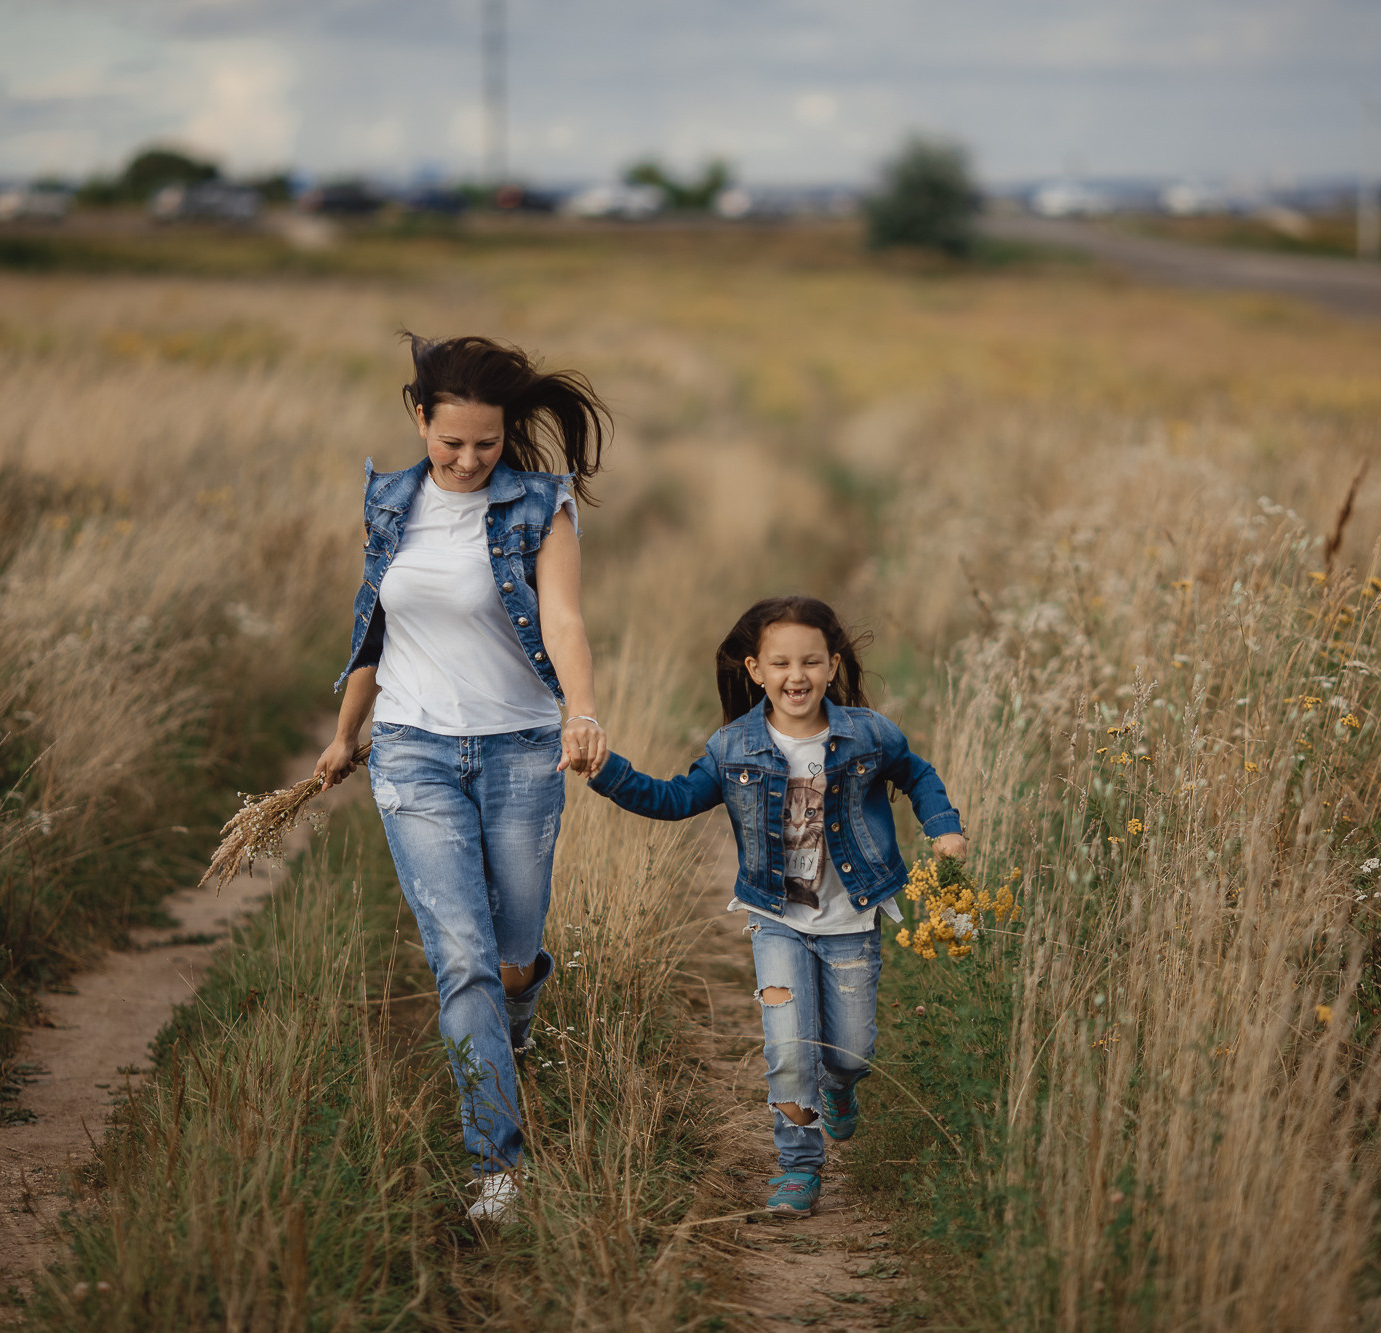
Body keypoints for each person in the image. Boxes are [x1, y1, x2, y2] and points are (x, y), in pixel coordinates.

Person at [314, 333, 610, 1223]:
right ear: (419, 417)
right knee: (466, 960)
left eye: (487, 442)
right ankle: (498, 1167)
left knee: (513, 960)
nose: (471, 458)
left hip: (522, 749)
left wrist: (582, 710)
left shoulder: (540, 505)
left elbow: (562, 617)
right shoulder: (388, 499)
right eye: (452, 443)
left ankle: (506, 1051)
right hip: (413, 750)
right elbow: (372, 627)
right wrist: (344, 734)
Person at [584, 595, 967, 1217]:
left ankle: (841, 1091)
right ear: (755, 670)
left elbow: (916, 772)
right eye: (781, 663)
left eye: (811, 662)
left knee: (849, 1053)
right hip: (775, 920)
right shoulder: (732, 748)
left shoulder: (866, 733)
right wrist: (606, 772)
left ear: (832, 665)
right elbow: (675, 799)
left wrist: (942, 824)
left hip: (852, 921)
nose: (798, 676)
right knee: (789, 1049)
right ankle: (798, 1165)